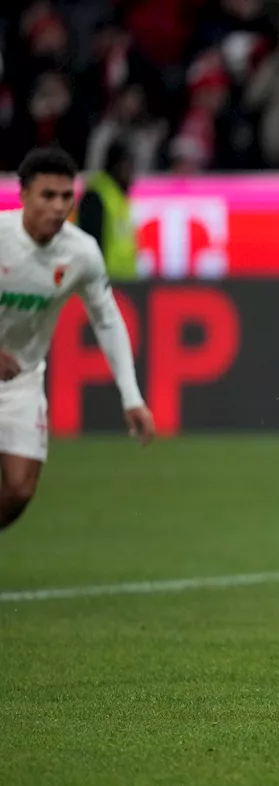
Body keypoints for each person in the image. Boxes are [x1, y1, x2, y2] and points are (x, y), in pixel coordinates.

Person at [0, 147, 155, 531]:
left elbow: (106, 319)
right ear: (24, 196)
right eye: (47, 196)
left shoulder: (81, 252)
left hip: (21, 378)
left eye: (66, 196)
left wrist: (131, 396)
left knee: (19, 491)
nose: (58, 206)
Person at [75, 140, 139, 282]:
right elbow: (91, 243)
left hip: (125, 282)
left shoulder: (118, 197)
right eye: (129, 167)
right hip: (105, 282)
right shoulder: (96, 196)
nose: (132, 174)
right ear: (117, 166)